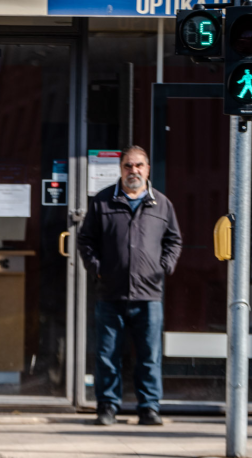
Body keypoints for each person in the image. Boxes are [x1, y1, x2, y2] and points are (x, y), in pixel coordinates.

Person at [77, 145, 182, 426]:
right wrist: (98, 269)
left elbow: (174, 240)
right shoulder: (102, 202)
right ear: (120, 169)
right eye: (128, 166)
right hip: (110, 294)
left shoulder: (162, 204)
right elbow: (85, 240)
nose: (133, 171)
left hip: (149, 295)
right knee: (107, 356)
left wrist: (163, 267)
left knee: (148, 356)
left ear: (148, 170)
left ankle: (149, 408)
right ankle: (108, 407)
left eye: (138, 166)